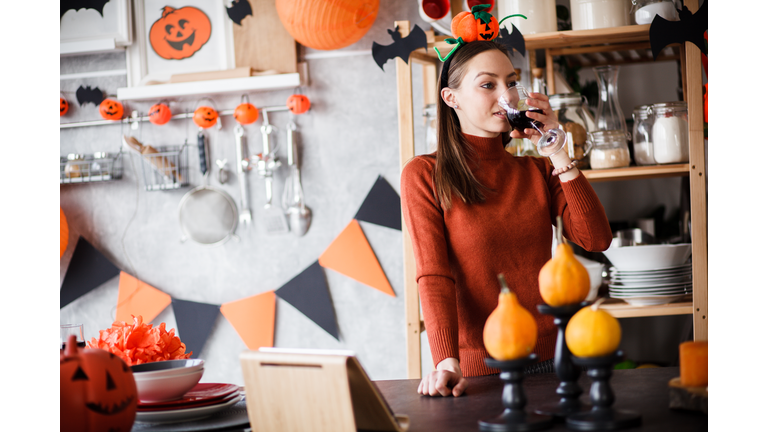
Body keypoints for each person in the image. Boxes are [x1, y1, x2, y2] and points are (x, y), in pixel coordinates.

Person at [400, 40, 613, 398]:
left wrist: (559, 153)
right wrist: (445, 361)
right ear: (451, 98)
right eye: (488, 84)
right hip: (478, 374)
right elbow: (434, 275)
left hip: (557, 361)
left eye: (511, 82)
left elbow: (597, 240)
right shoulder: (424, 174)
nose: (507, 95)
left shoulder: (538, 170)